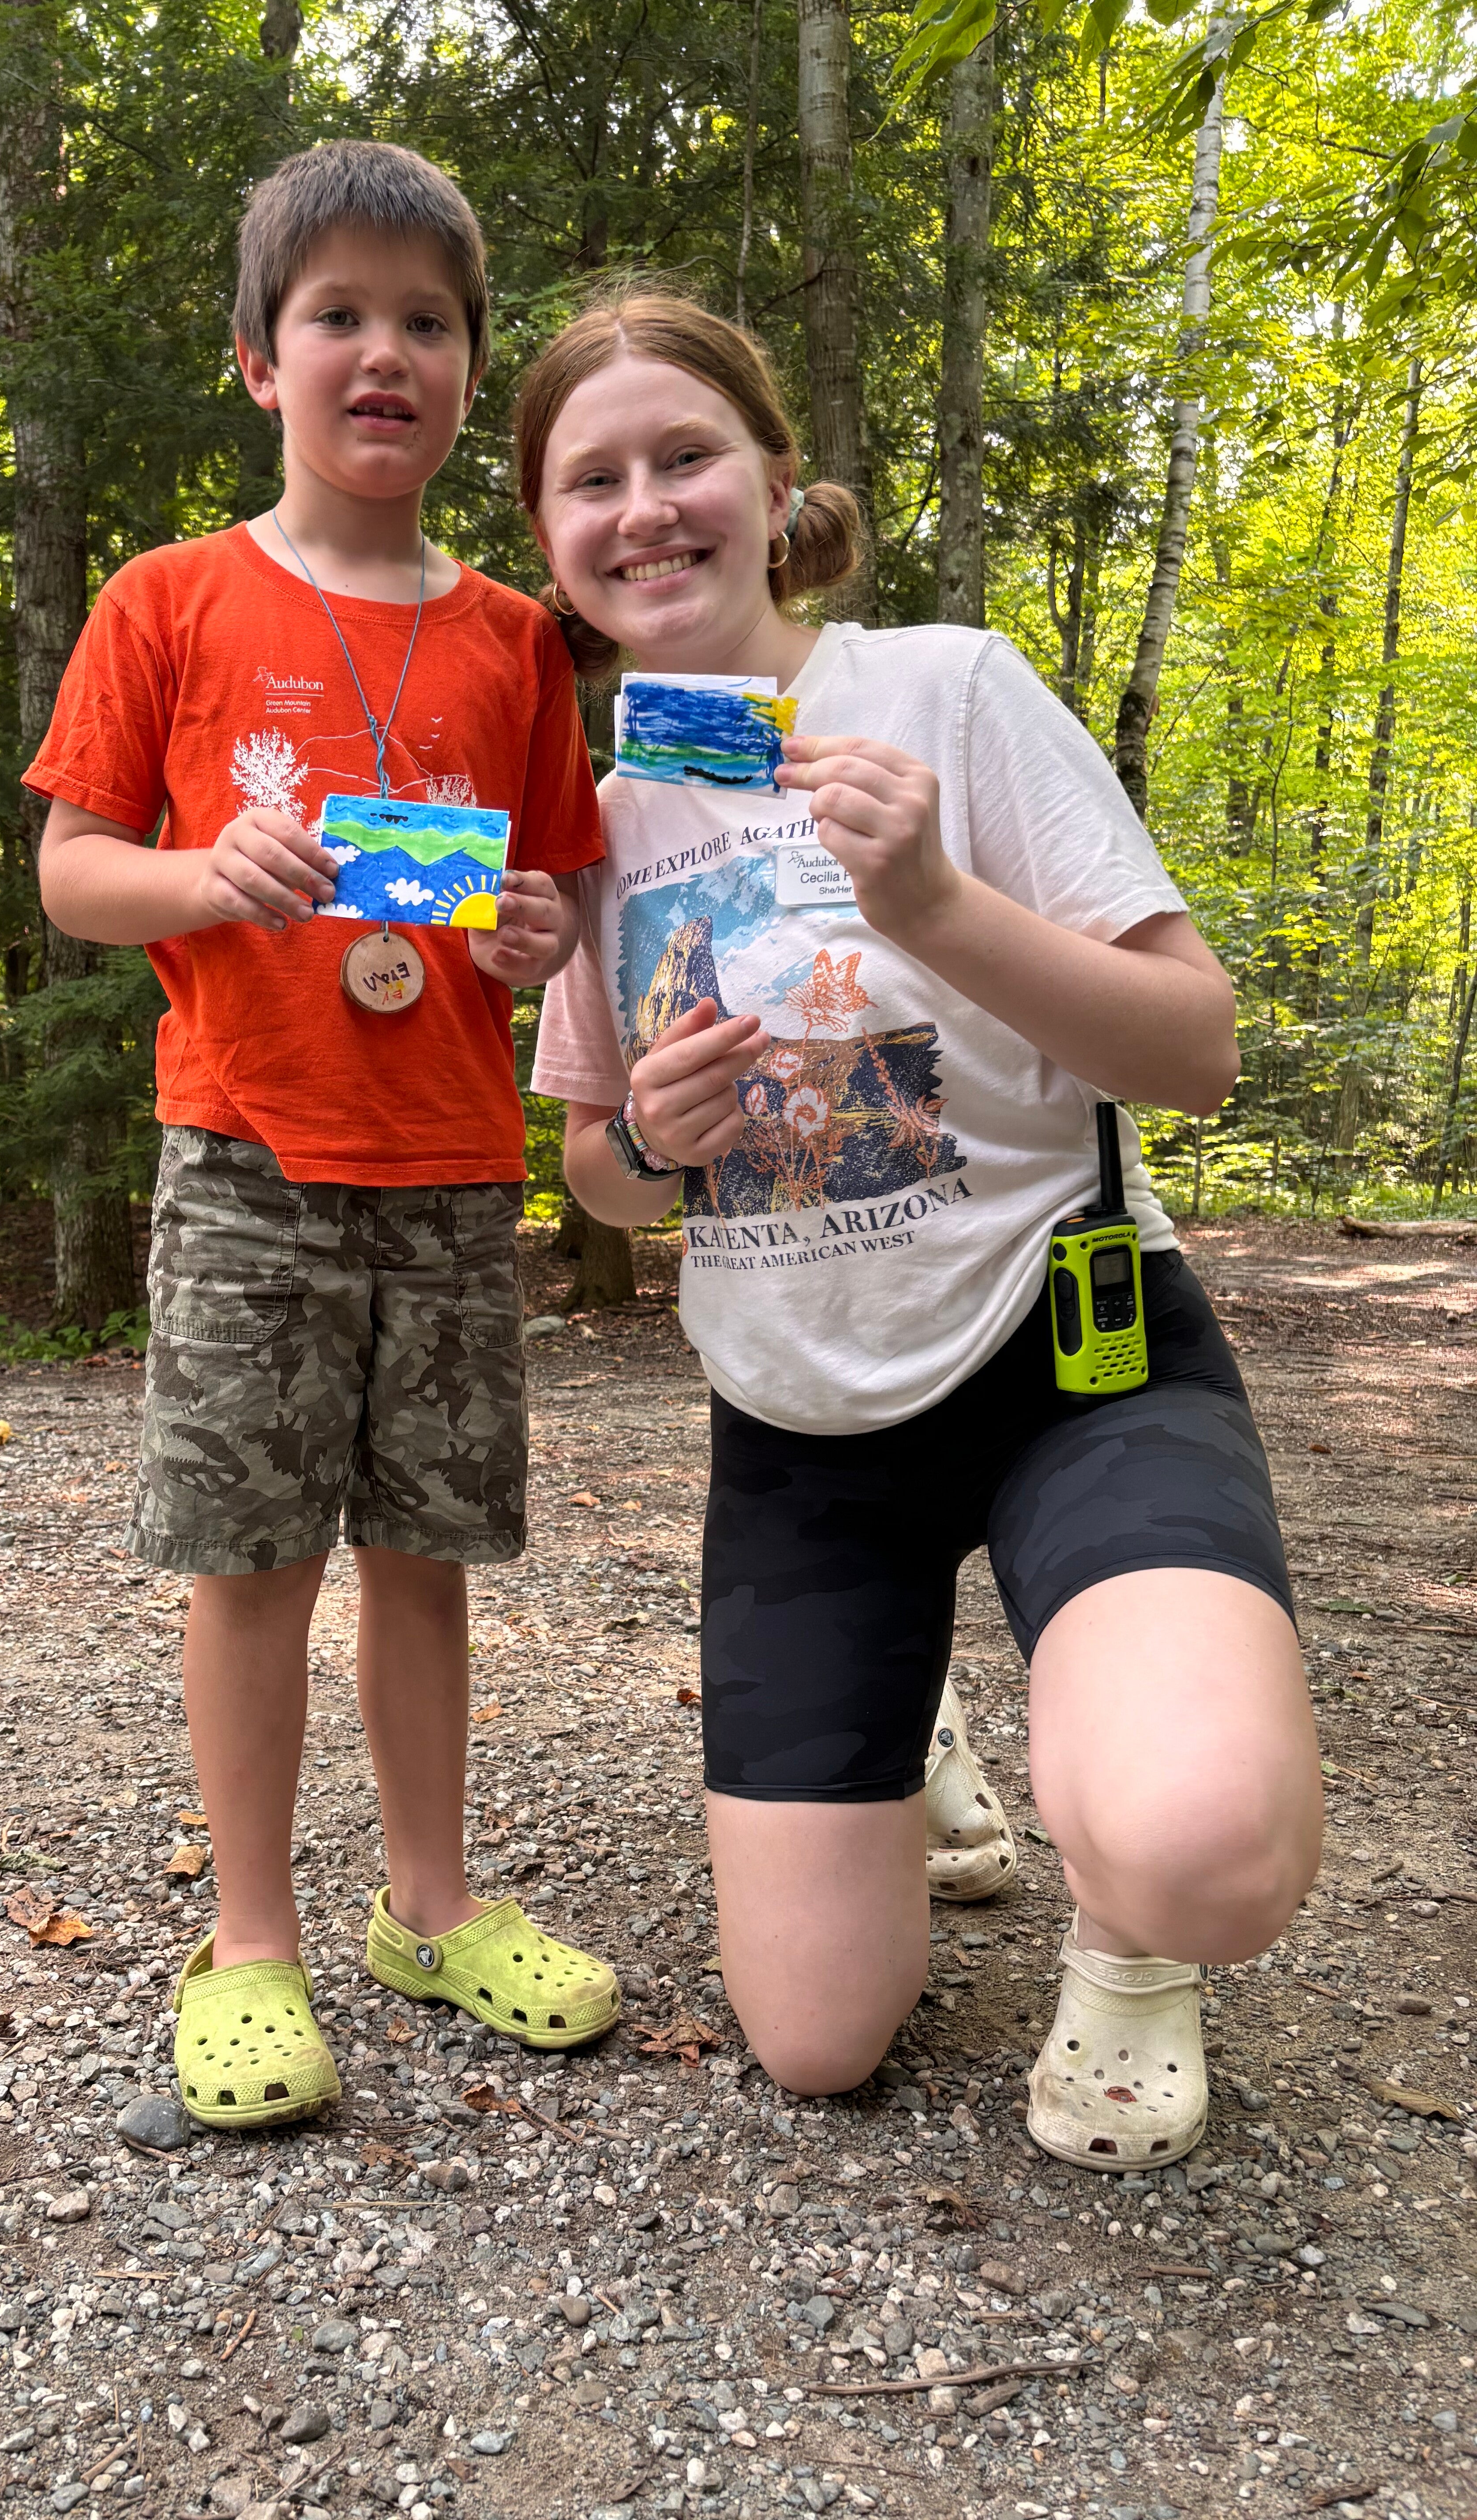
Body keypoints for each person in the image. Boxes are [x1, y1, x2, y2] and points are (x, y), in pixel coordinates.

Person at [522, 291, 1323, 2168]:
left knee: (1199, 1844)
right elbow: (599, 1176)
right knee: (814, 2046)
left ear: (776, 482)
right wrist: (647, 1134)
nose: (649, 507)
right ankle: (928, 1724)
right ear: (550, 541)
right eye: (595, 479)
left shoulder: (948, 688)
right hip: (801, 1427)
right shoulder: (592, 813)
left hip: (1072, 1356)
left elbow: (1195, 1051)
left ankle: (1131, 1933)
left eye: (687, 456)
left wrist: (936, 900)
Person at [27, 141, 619, 2131]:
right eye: (338, 315)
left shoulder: (521, 642)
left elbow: (552, 894)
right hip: (251, 1156)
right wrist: (205, 880)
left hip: (451, 1162)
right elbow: (73, 872)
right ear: (257, 360)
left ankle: (431, 1904)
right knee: (253, 1562)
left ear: (469, 368)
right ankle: (257, 1940)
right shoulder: (172, 600)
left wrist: (543, 933)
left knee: (427, 1556)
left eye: (429, 321)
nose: (387, 353)